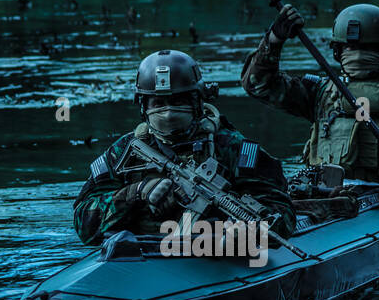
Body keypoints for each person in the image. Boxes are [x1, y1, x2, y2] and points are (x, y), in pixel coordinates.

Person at [240, 3, 379, 204]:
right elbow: (258, 85)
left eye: (367, 50)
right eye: (351, 49)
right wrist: (274, 39)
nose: (358, 55)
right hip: (327, 198)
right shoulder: (321, 93)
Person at [73, 49, 296, 246]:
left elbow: (282, 214)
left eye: (179, 101)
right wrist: (134, 193)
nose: (168, 112)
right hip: (139, 258)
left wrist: (248, 234)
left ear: (197, 102)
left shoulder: (234, 149)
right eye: (158, 103)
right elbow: (84, 224)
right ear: (143, 106)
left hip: (217, 259)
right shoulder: (123, 152)